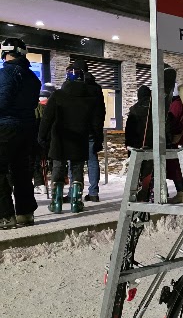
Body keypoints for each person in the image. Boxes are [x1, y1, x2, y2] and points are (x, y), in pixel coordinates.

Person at [38, 62, 103, 214]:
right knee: (77, 167)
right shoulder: (90, 98)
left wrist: (42, 137)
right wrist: (98, 139)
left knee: (58, 166)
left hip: (59, 137)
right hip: (80, 138)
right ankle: (76, 202)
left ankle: (56, 202)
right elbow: (96, 122)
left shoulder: (57, 95)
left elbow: (47, 118)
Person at [0, 37, 41, 229]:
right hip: (27, 129)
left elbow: (2, 102)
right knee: (22, 172)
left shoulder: (5, 74)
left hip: (5, 128)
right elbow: (32, 104)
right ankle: (25, 213)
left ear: (5, 53)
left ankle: (5, 216)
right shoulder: (33, 78)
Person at [79, 61, 106, 202]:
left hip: (77, 128)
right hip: (92, 129)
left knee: (75, 161)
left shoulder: (75, 86)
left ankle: (74, 193)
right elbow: (101, 111)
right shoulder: (96, 88)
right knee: (92, 160)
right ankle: (94, 192)